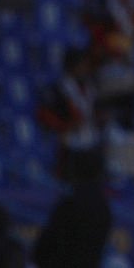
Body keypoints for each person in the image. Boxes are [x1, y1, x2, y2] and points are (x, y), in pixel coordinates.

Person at [37, 47, 105, 182]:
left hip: (91, 144)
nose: (85, 69)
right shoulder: (58, 89)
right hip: (69, 146)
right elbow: (44, 114)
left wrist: (101, 118)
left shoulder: (91, 87)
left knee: (93, 185)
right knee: (71, 186)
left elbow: (96, 109)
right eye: (82, 65)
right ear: (71, 66)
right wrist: (65, 126)